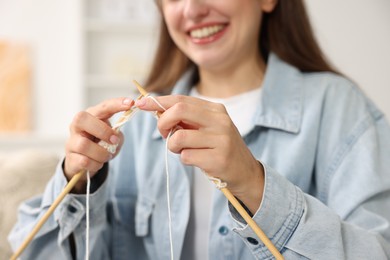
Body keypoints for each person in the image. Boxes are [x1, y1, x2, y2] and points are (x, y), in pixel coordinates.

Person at [9, 0, 390, 259]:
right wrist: (75, 182)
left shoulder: (340, 109)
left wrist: (256, 187)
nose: (192, 9)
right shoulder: (135, 130)